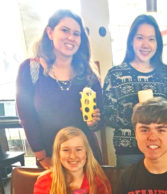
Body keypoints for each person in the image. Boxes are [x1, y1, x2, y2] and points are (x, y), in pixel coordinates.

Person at [16, 9, 103, 169]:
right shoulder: (30, 69)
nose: (71, 37)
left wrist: (94, 122)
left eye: (77, 34)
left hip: (86, 158)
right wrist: (42, 157)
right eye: (65, 30)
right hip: (51, 158)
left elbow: (100, 117)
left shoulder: (87, 73)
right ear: (50, 32)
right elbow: (27, 117)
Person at [103, 14, 167, 168]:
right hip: (128, 152)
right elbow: (107, 115)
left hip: (160, 149)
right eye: (140, 37)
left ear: (158, 43)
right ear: (131, 41)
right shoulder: (115, 74)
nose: (145, 44)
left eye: (151, 39)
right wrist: (134, 114)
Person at [34, 127, 112, 194]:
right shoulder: (43, 182)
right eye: (66, 150)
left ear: (86, 152)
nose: (72, 156)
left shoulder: (98, 180)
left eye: (78, 149)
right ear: (58, 153)